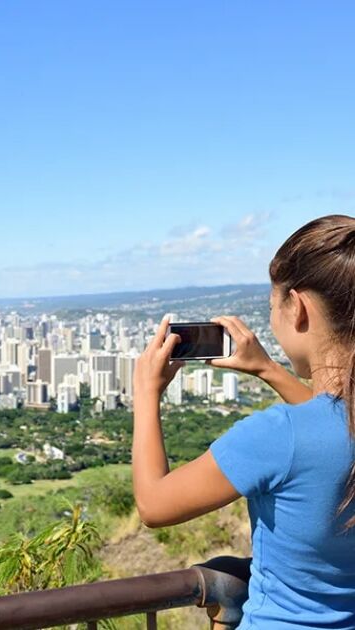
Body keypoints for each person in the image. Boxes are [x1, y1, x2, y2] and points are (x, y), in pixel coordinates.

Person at [131, 214, 355, 629]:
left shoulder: (277, 437)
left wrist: (146, 394)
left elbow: (153, 504)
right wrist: (268, 370)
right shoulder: (327, 430)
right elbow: (335, 424)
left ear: (299, 309)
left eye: (274, 306)